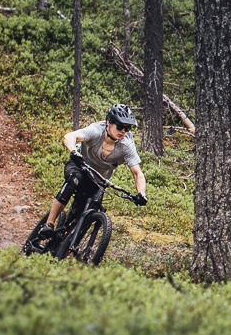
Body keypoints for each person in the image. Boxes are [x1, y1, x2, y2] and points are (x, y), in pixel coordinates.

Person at [26, 103, 148, 253]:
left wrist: (141, 193)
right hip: (79, 165)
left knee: (87, 212)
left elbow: (137, 173)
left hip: (98, 179)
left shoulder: (126, 145)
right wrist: (74, 152)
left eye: (127, 128)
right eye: (120, 126)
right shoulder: (96, 130)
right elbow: (70, 136)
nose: (123, 131)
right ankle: (49, 224)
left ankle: (63, 251)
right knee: (73, 180)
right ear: (109, 122)